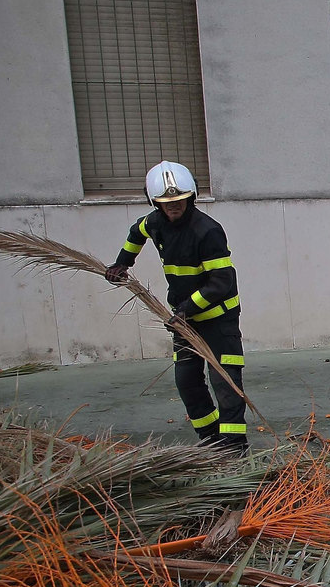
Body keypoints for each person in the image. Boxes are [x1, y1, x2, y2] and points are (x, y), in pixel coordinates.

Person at [105, 161, 247, 451]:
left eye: (179, 201)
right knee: (187, 382)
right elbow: (137, 232)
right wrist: (123, 262)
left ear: (190, 197)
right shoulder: (154, 223)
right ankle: (210, 440)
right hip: (184, 321)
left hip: (218, 321)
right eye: (166, 203)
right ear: (155, 203)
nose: (174, 207)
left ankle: (234, 447)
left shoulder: (207, 231)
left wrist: (185, 310)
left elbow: (222, 282)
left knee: (226, 384)